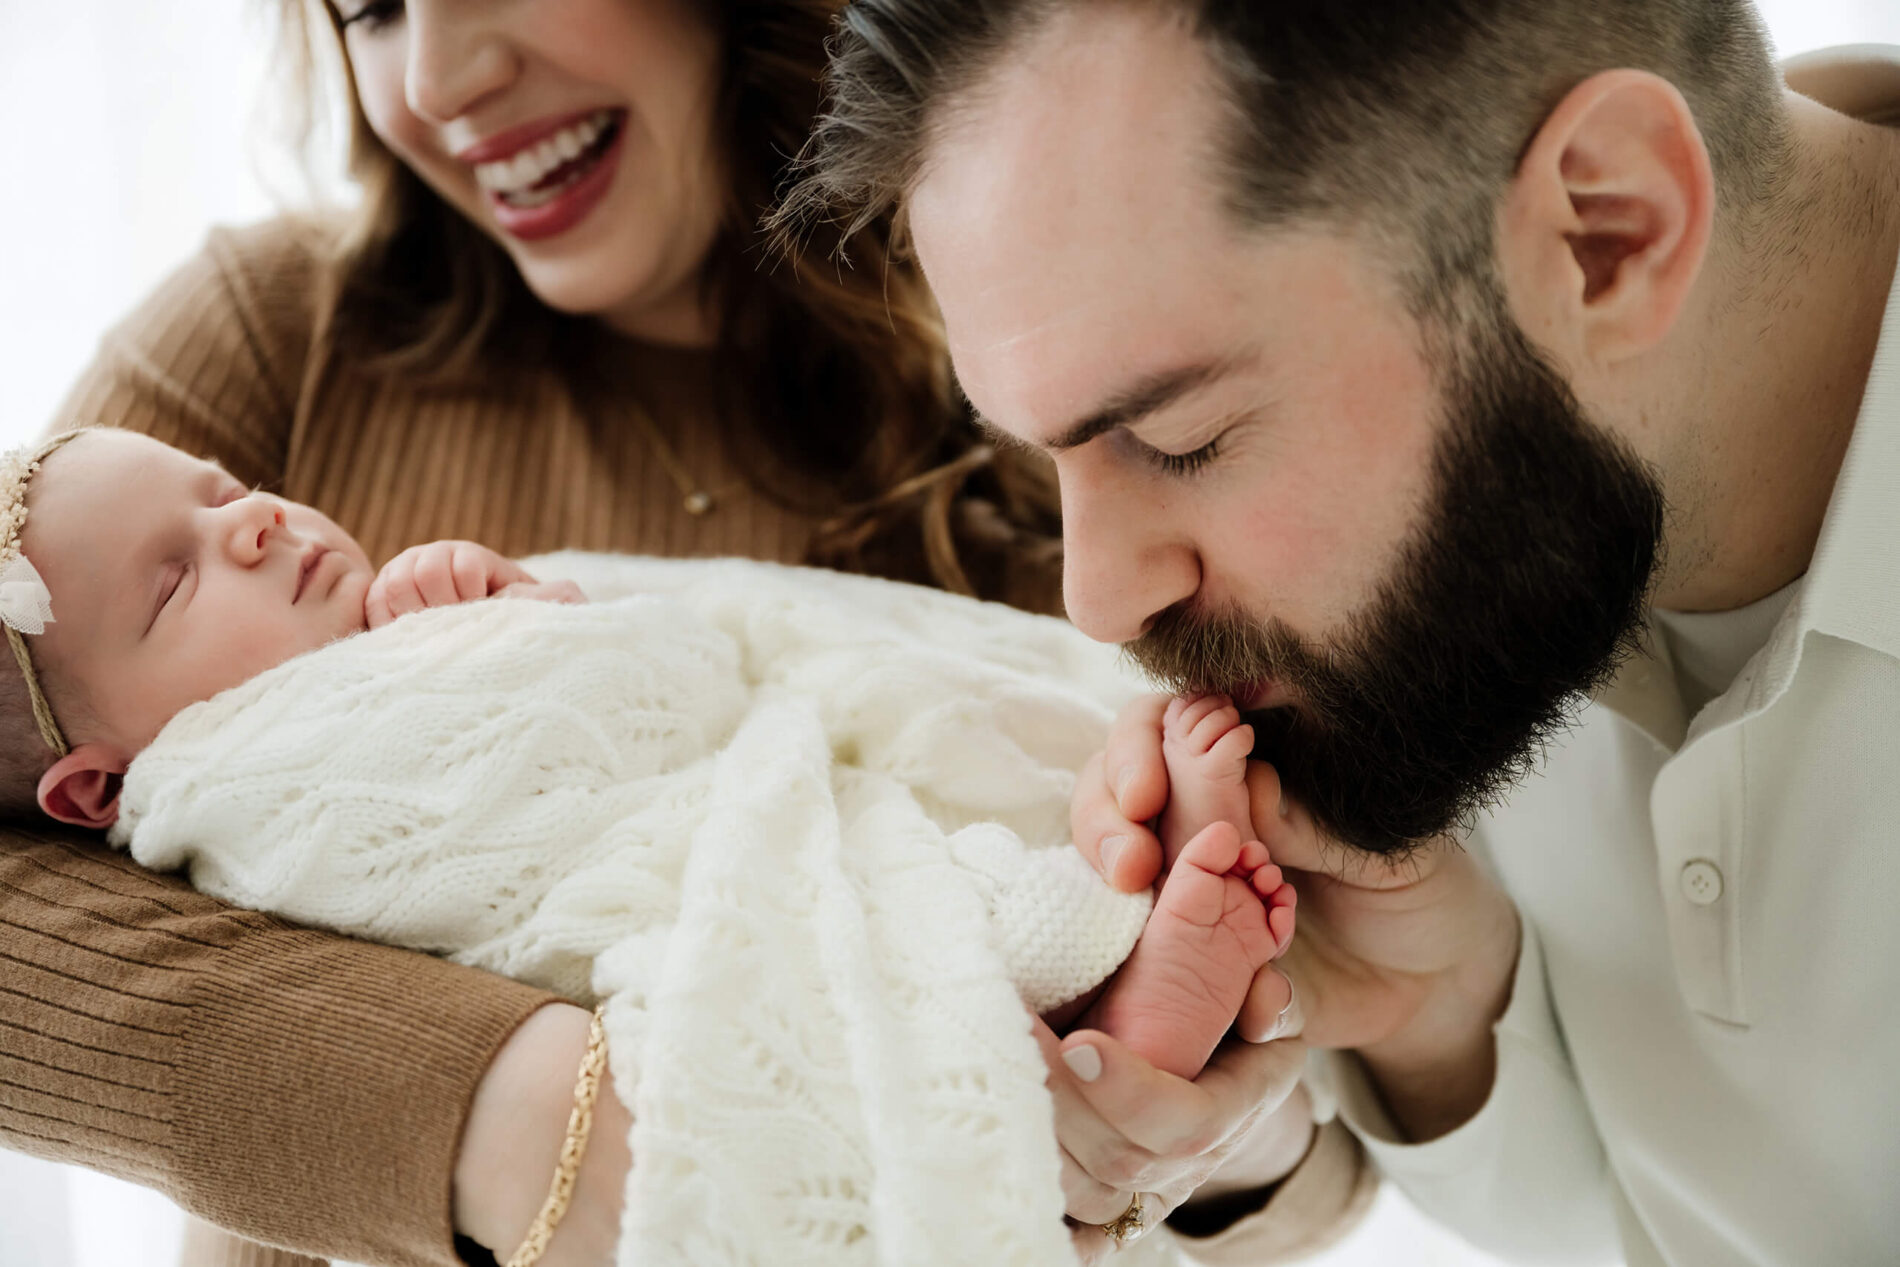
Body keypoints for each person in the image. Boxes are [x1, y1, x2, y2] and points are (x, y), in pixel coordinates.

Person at [0, 6, 1361, 1264]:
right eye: (369, 5)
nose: (437, 77)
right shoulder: (277, 335)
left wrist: (1198, 1138)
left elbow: (1335, 1122)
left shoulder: (1043, 385)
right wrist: (527, 1118)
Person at [784, 1, 1900, 1263]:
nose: (1094, 598)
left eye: (1178, 439)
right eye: (1053, 464)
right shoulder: (1495, 576)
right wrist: (1448, 1021)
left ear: (1608, 233)